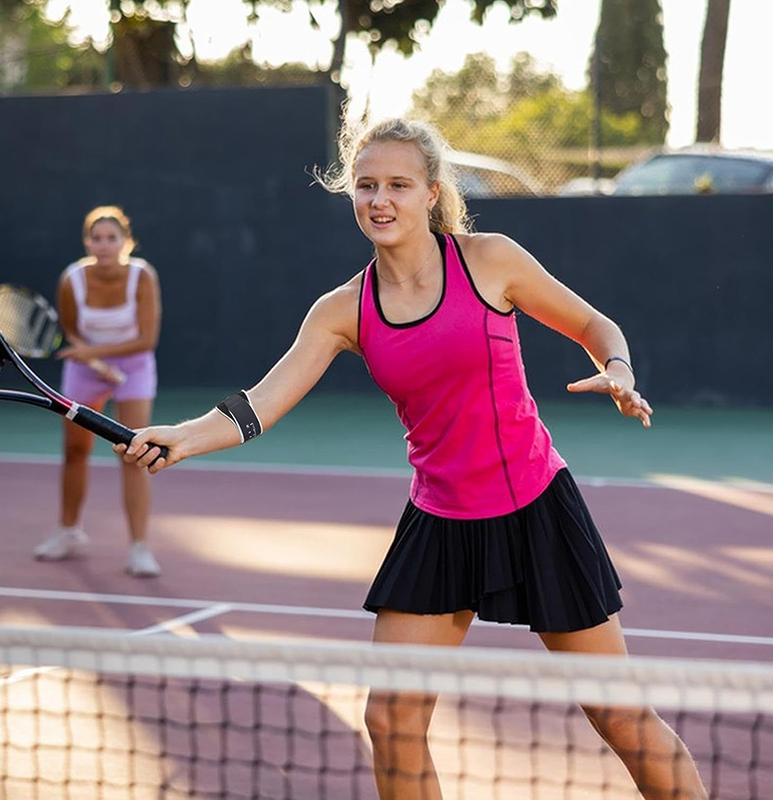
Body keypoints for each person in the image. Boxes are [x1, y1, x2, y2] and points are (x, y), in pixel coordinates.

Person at [116, 119, 707, 798]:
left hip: (535, 509)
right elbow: (261, 404)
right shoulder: (342, 310)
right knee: (392, 719)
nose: (380, 200)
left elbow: (593, 326)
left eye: (398, 185)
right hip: (441, 522)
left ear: (431, 192)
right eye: (366, 185)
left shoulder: (490, 260)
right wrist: (184, 435)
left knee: (618, 714)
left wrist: (619, 370)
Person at [34, 206, 163, 578]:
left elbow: (147, 339)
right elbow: (71, 331)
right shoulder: (72, 279)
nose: (103, 245)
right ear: (87, 242)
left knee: (134, 453)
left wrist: (96, 352)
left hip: (134, 368)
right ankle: (68, 532)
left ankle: (139, 548)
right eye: (96, 238)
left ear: (126, 242)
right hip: (84, 370)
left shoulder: (142, 276)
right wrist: (88, 356)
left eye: (111, 238)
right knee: (75, 450)